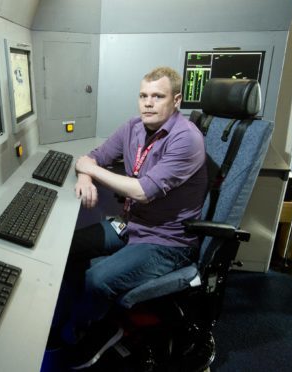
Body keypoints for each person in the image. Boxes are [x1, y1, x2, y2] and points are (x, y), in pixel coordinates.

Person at [53, 66, 208, 368]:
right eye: (143, 96)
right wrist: (85, 177)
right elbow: (94, 156)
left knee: (97, 279)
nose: (148, 103)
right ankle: (86, 312)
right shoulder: (133, 128)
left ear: (176, 101)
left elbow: (142, 191)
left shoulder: (186, 139)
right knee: (65, 247)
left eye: (158, 96)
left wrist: (90, 169)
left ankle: (97, 329)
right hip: (131, 225)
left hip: (167, 240)